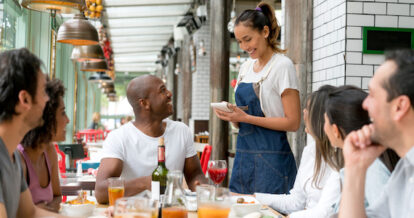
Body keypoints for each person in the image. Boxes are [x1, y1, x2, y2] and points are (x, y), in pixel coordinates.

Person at [214, 2, 300, 194]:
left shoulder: (282, 66)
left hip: (273, 162)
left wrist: (245, 118)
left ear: (265, 32)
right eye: (239, 42)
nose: (244, 47)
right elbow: (243, 117)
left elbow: (293, 122)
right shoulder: (245, 68)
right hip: (244, 156)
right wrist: (233, 117)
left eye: (248, 39)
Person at [95, 75, 208, 204]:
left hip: (172, 212)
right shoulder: (119, 138)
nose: (169, 94)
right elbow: (100, 192)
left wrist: (202, 189)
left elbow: (194, 174)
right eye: (162, 90)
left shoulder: (182, 131)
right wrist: (145, 183)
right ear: (144, 103)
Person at [339, 49, 414, 218]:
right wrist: (355, 167)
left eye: (372, 95)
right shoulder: (405, 169)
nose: (365, 104)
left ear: (400, 107)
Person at [255, 85, 340, 217]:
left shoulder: (341, 160)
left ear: (321, 118)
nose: (304, 113)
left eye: (308, 109)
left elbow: (326, 212)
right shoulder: (310, 151)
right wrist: (255, 198)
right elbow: (296, 202)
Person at [0, 48, 66, 217]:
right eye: (43, 91)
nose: (47, 100)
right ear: (25, 100)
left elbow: (30, 213)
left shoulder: (11, 154)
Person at [324, 85, 399, 214]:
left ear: (336, 130)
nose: (324, 127)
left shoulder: (371, 169)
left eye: (325, 121)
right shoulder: (366, 164)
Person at [18, 79, 69, 212]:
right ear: (46, 117)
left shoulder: (49, 151)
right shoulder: (18, 158)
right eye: (63, 113)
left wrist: (44, 210)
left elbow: (57, 196)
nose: (67, 120)